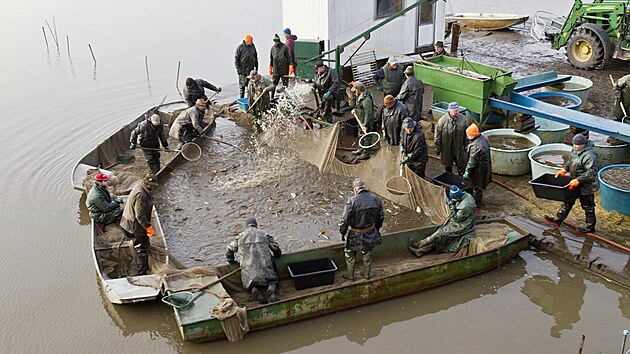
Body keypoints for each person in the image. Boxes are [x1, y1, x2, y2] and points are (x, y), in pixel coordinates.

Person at [544, 133, 599, 234]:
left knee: (588, 206)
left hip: (586, 185)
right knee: (568, 201)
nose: (575, 147)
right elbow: (570, 161)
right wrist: (564, 169)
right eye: (574, 145)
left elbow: (591, 172)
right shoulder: (575, 150)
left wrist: (579, 180)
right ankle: (557, 220)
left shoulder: (590, 155)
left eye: (577, 145)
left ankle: (590, 227)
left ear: (584, 144)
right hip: (574, 181)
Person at [226, 217, 282, 304]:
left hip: (248, 270)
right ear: (256, 225)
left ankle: (254, 289)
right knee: (273, 280)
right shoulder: (264, 234)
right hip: (265, 267)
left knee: (250, 282)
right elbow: (275, 247)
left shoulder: (240, 236)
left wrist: (232, 261)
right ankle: (271, 291)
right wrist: (277, 255)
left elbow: (230, 250)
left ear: (246, 226)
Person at [409, 185, 476, 257]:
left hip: (463, 225)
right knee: (439, 233)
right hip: (458, 220)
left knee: (439, 233)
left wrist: (452, 207)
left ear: (457, 198)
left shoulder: (465, 206)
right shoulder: (465, 195)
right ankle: (420, 250)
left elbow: (457, 219)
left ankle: (420, 245)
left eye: (454, 199)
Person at [339, 178, 385, 280]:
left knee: (350, 253)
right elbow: (381, 217)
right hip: (370, 231)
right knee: (368, 252)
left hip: (355, 233)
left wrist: (342, 232)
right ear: (364, 187)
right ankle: (366, 274)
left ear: (355, 189)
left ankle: (351, 276)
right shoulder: (376, 199)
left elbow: (344, 220)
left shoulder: (351, 201)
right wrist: (376, 229)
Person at [120, 173, 159, 275]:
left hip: (126, 222)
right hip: (133, 225)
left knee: (142, 243)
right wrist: (148, 227)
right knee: (142, 249)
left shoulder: (139, 186)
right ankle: (142, 273)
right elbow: (140, 215)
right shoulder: (141, 195)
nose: (154, 187)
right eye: (153, 185)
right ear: (148, 184)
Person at [435, 102, 469, 175]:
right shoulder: (442, 121)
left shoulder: (464, 120)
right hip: (447, 148)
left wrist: (467, 146)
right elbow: (438, 135)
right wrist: (438, 146)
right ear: (449, 111)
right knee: (448, 164)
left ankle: (461, 178)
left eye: (458, 110)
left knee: (461, 164)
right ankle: (449, 176)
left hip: (459, 147)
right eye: (455, 110)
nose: (457, 112)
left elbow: (467, 135)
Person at [462, 123, 491, 206]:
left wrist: (467, 172)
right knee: (477, 186)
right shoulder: (484, 139)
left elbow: (472, 162)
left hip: (478, 170)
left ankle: (477, 203)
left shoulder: (476, 146)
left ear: (473, 135)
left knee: (476, 186)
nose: (467, 136)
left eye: (468, 134)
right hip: (484, 166)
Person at [350, 81, 377, 161]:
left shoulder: (366, 100)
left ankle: (366, 154)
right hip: (360, 120)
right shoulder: (361, 95)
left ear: (359, 89)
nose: (354, 92)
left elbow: (368, 114)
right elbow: (359, 106)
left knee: (367, 137)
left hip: (366, 122)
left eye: (355, 90)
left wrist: (365, 125)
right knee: (361, 135)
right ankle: (361, 149)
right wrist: (355, 110)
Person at [234, 34, 259, 99]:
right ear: (247, 41)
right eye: (251, 41)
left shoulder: (253, 47)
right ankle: (242, 99)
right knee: (242, 86)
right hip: (242, 70)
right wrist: (238, 68)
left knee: (250, 86)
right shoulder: (240, 47)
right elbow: (236, 59)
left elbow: (256, 57)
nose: (252, 42)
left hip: (251, 70)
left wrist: (256, 66)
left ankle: (250, 99)